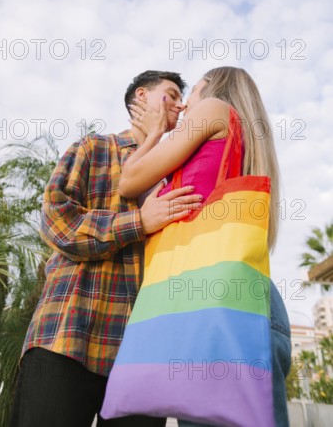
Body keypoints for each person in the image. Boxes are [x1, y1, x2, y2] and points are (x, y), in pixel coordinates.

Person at [9, 70, 205, 427]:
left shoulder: (179, 174)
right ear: (142, 97)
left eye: (184, 98)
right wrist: (139, 222)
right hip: (68, 336)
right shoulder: (94, 149)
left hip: (144, 354)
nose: (182, 104)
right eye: (172, 94)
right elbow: (58, 222)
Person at [118, 66, 292, 427]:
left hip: (218, 308)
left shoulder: (212, 109)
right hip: (239, 302)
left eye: (189, 92)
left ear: (212, 87)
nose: (183, 107)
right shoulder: (231, 135)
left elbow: (129, 181)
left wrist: (151, 135)